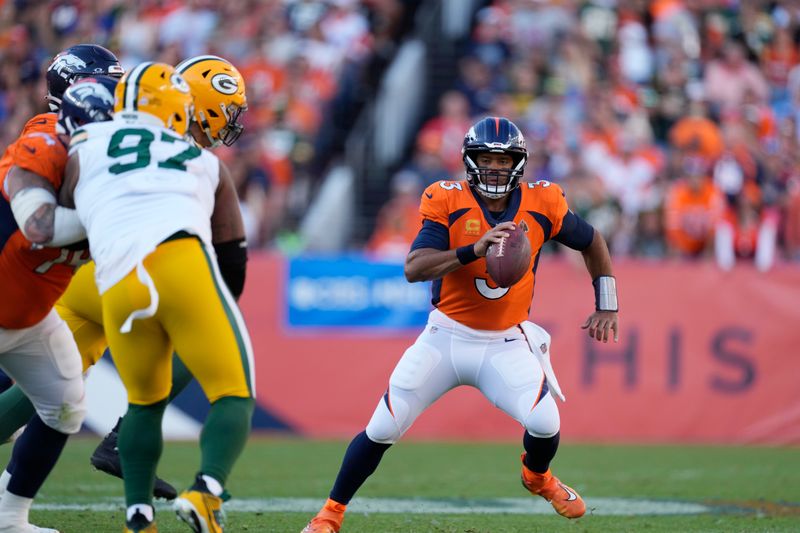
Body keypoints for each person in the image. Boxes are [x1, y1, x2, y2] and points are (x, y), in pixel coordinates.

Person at [301, 117, 620, 533]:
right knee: (381, 428)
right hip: (446, 336)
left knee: (546, 424)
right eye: (485, 159)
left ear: (518, 164)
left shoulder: (544, 201)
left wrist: (607, 304)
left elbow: (592, 240)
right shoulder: (446, 198)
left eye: (503, 160)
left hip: (507, 341)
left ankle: (537, 476)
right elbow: (415, 268)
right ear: (469, 162)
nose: (494, 169)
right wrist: (472, 250)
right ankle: (329, 515)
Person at [0, 55, 250, 504]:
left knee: (37, 403)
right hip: (110, 269)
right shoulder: (175, 147)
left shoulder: (136, 128)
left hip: (84, 274)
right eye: (228, 110)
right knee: (200, 327)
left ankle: (11, 508)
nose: (233, 123)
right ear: (205, 103)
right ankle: (124, 435)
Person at [0, 44, 123, 533]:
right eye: (109, 83)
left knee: (66, 402)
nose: (120, 94)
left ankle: (9, 518)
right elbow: (36, 223)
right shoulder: (47, 135)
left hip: (30, 312)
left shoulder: (116, 152)